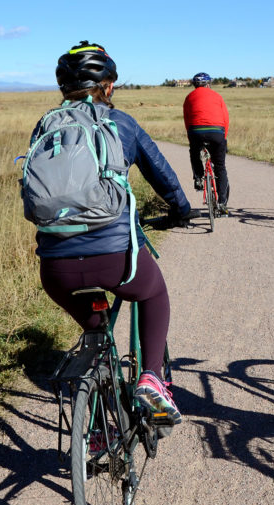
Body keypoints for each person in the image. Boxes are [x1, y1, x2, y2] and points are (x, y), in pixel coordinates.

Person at [34, 41, 191, 423]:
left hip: (56, 269)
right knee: (153, 292)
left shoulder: (47, 126)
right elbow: (162, 175)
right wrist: (181, 210)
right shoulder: (122, 123)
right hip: (117, 260)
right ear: (107, 87)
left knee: (96, 332)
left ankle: (103, 424)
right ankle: (152, 379)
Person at [183, 72, 231, 215]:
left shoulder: (189, 97)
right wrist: (223, 138)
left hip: (195, 131)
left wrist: (191, 137)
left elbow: (187, 119)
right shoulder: (217, 96)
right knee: (220, 167)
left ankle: (198, 177)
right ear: (208, 84)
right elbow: (225, 119)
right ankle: (222, 204)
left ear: (194, 85)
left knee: (194, 152)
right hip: (217, 133)